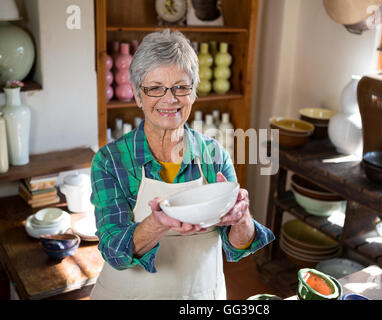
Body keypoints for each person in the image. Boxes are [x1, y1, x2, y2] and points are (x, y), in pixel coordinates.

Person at [89, 29, 275, 300]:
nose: (170, 98)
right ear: (138, 96)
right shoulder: (110, 162)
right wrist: (158, 223)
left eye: (181, 86)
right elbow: (114, 251)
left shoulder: (214, 154)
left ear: (193, 93)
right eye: (155, 88)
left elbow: (237, 246)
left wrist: (241, 217)